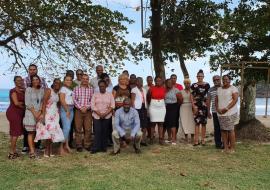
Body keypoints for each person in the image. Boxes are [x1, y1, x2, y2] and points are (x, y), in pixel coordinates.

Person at [34, 79, 65, 157]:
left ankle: (50, 151)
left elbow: (58, 104)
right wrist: (43, 116)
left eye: (59, 83)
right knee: (48, 133)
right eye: (56, 83)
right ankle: (46, 152)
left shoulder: (58, 93)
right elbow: (44, 103)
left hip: (55, 114)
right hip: (48, 114)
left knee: (52, 133)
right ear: (53, 83)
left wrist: (60, 113)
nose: (57, 84)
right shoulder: (48, 90)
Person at [22, 64, 47, 154]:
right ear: (31, 81)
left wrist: (40, 112)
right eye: (34, 80)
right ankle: (30, 150)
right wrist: (34, 113)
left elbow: (43, 101)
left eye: (37, 79)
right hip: (30, 112)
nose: (35, 81)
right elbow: (27, 102)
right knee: (30, 132)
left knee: (38, 131)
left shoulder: (41, 90)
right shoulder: (28, 88)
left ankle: (37, 146)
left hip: (39, 112)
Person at [91, 80, 115, 154]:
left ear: (106, 86)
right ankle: (96, 147)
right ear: (99, 87)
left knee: (105, 132)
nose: (102, 87)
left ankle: (103, 147)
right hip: (96, 116)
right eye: (100, 86)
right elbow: (92, 105)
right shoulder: (95, 95)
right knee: (97, 131)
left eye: (103, 86)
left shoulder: (110, 95)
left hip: (107, 116)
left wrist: (105, 114)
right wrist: (99, 114)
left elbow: (112, 106)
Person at [216, 75, 238, 153]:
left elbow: (235, 100)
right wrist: (217, 109)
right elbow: (216, 100)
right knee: (223, 130)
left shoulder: (233, 88)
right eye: (223, 79)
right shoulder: (219, 89)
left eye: (226, 79)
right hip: (220, 113)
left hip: (230, 113)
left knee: (230, 130)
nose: (225, 81)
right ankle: (225, 148)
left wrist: (227, 108)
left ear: (230, 80)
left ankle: (232, 148)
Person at [73, 74, 93, 152]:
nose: (85, 80)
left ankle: (87, 144)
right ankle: (79, 145)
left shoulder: (91, 89)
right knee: (78, 128)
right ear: (81, 79)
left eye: (87, 79)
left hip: (88, 111)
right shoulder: (76, 88)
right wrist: (81, 108)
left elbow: (92, 100)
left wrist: (86, 107)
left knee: (88, 128)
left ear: (88, 80)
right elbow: (74, 99)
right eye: (84, 79)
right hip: (78, 110)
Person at [6, 76, 25, 159]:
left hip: (19, 113)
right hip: (14, 113)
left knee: (14, 132)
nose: (20, 82)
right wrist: (24, 105)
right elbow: (16, 103)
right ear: (14, 82)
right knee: (15, 133)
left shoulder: (22, 91)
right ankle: (11, 153)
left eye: (21, 80)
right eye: (18, 80)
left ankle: (13, 151)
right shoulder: (13, 91)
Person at [190, 70, 210, 146]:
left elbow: (208, 97)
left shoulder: (207, 85)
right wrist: (193, 106)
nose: (200, 77)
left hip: (204, 106)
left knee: (204, 123)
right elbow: (191, 96)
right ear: (197, 77)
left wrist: (208, 108)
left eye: (201, 76)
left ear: (203, 77)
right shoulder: (194, 85)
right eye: (198, 76)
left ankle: (203, 140)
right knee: (197, 123)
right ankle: (196, 140)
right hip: (196, 106)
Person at [147, 76, 166, 145]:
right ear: (155, 81)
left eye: (159, 81)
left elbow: (165, 97)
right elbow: (148, 97)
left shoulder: (164, 89)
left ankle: (160, 139)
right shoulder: (151, 88)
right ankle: (151, 138)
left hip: (161, 106)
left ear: (161, 81)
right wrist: (152, 103)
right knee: (153, 123)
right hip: (153, 106)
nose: (158, 82)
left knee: (161, 123)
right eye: (157, 81)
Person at [164, 79, 183, 145]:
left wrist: (176, 106)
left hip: (174, 107)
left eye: (170, 82)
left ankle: (174, 139)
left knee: (173, 123)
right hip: (166, 107)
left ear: (172, 83)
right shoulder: (165, 90)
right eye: (167, 82)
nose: (169, 84)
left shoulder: (176, 90)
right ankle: (169, 138)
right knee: (167, 122)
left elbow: (180, 99)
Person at [59, 75, 74, 154]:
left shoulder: (70, 89)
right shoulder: (63, 89)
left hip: (71, 109)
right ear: (64, 81)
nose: (69, 81)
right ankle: (61, 147)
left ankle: (66, 145)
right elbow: (62, 100)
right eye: (67, 80)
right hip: (66, 109)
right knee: (66, 128)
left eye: (70, 80)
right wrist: (67, 110)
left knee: (67, 128)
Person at [131, 77, 148, 146]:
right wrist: (134, 109)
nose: (140, 82)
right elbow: (132, 100)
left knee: (144, 125)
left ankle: (143, 140)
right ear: (136, 82)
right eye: (139, 81)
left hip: (144, 107)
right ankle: (137, 140)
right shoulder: (134, 89)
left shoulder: (144, 90)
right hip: (137, 108)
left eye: (141, 81)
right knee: (138, 125)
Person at [207, 75, 223, 149]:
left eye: (217, 79)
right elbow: (208, 101)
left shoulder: (224, 87)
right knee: (217, 128)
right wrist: (208, 111)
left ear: (220, 80)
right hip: (214, 111)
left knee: (224, 128)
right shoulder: (210, 89)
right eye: (214, 80)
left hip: (224, 111)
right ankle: (218, 144)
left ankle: (226, 142)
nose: (216, 81)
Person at [180, 78, 195, 143]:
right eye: (185, 83)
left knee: (192, 122)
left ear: (190, 84)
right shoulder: (181, 91)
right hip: (183, 107)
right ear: (184, 84)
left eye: (188, 83)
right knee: (184, 122)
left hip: (191, 107)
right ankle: (186, 138)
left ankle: (192, 138)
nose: (187, 84)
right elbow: (179, 100)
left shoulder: (193, 91)